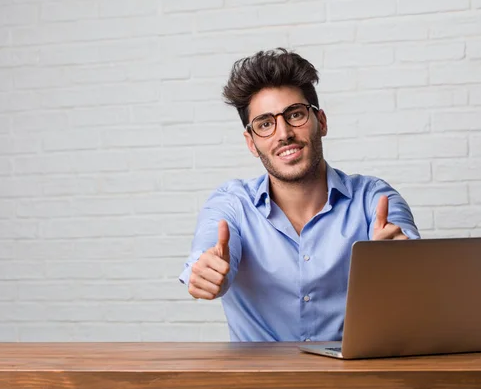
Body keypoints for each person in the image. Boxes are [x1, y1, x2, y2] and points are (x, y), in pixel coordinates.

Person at [179, 48, 420, 342]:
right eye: (265, 124)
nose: (283, 133)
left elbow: (412, 271)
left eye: (295, 114)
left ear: (322, 122)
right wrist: (205, 272)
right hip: (259, 383)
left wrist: (403, 264)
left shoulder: (375, 199)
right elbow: (207, 253)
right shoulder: (232, 206)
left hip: (353, 383)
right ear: (251, 143)